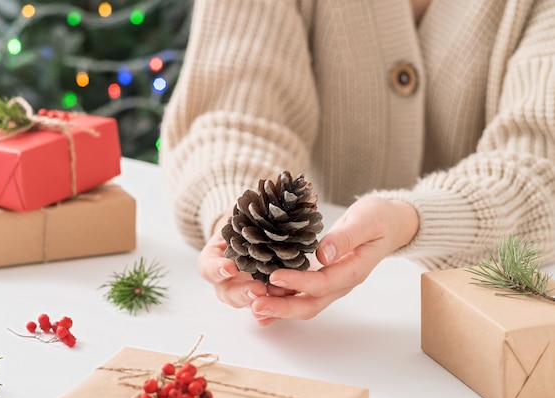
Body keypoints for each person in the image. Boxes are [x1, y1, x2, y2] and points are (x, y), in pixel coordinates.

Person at [159, 0, 555, 327]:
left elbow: (541, 162)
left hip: (486, 320)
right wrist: (238, 216)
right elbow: (232, 112)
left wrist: (412, 220)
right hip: (320, 333)